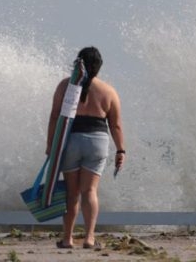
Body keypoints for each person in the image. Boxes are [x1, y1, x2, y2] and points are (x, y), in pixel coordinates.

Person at [46, 47, 125, 249]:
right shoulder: (109, 91)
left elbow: (55, 116)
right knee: (89, 191)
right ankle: (89, 238)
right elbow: (115, 125)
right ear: (98, 67)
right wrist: (120, 150)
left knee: (72, 193)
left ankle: (67, 239)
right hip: (97, 142)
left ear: (78, 64)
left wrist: (50, 146)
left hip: (70, 140)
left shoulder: (66, 86)